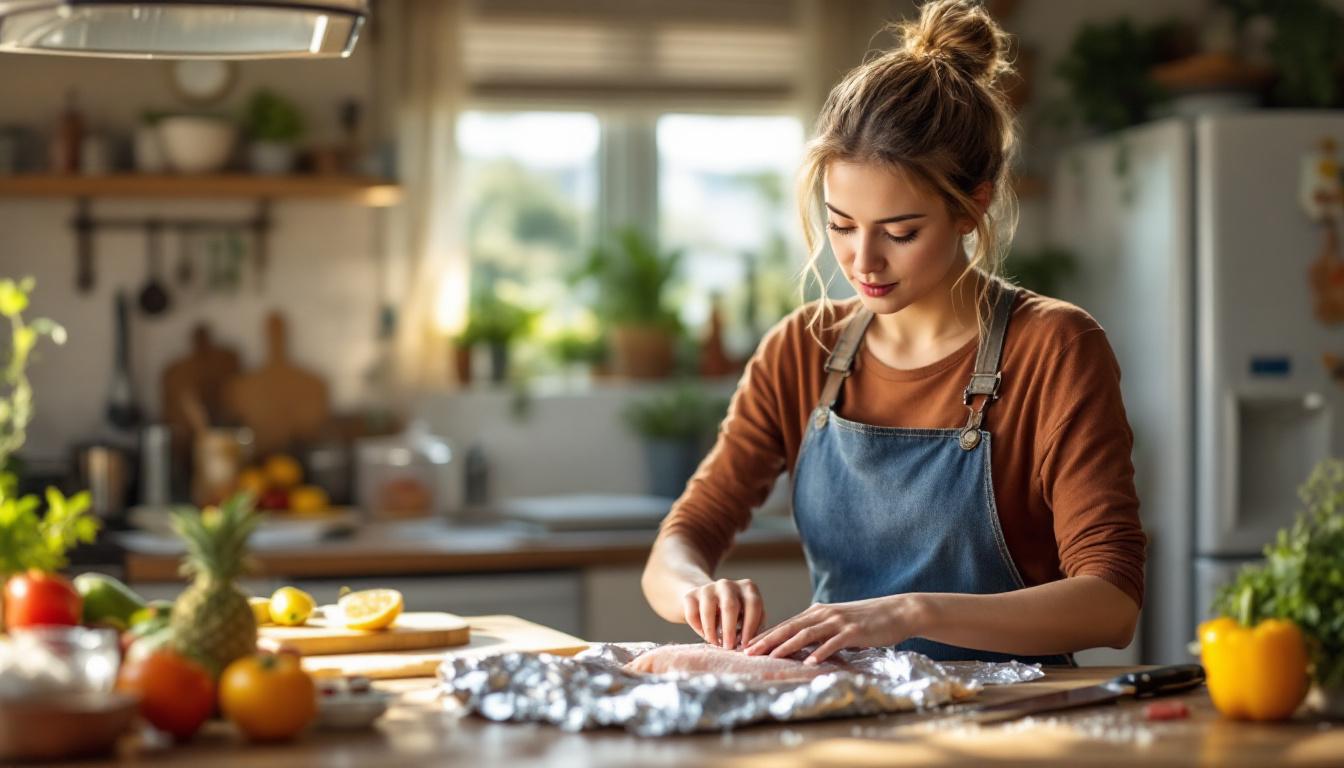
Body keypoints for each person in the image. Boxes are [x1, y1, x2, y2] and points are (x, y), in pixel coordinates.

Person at [641, 0, 1146, 666]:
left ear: (975, 205)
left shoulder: (1054, 346)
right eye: (842, 226)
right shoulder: (802, 350)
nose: (862, 263)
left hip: (1010, 725)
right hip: (847, 716)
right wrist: (697, 591)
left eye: (901, 233)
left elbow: (1110, 603)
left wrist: (910, 611)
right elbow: (679, 543)